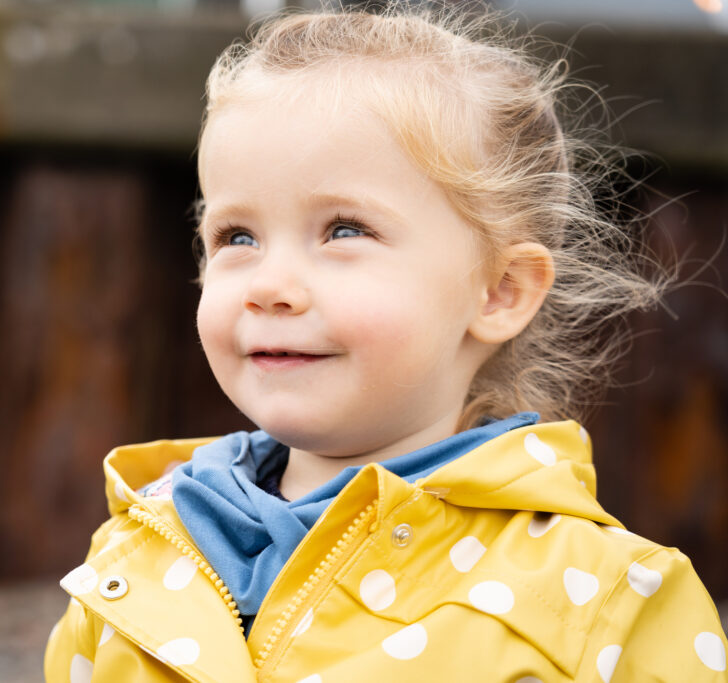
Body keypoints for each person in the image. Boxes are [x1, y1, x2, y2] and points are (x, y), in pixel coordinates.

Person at [45, 4, 728, 681]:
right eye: (236, 237)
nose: (269, 284)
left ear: (499, 291)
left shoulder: (609, 603)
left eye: (344, 230)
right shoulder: (133, 557)